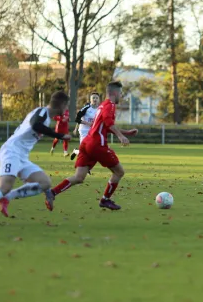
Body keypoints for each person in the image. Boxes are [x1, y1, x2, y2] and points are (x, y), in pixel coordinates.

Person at [0, 91, 70, 226]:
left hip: (22, 156)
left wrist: (48, 194)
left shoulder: (46, 116)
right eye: (66, 106)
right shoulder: (43, 112)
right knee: (4, 186)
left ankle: (6, 198)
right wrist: (59, 135)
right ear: (61, 105)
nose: (66, 110)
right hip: (11, 152)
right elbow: (35, 125)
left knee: (45, 183)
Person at [45, 81, 138, 211]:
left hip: (87, 143)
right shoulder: (109, 105)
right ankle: (105, 200)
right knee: (119, 172)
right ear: (115, 93)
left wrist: (126, 132)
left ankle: (52, 193)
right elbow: (109, 123)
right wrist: (121, 136)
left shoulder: (102, 106)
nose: (121, 96)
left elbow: (106, 125)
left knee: (79, 177)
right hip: (97, 144)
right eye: (120, 93)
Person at [70, 92, 101, 161]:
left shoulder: (100, 109)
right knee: (84, 151)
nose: (95, 99)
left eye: (96, 98)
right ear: (90, 99)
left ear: (99, 100)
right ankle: (86, 168)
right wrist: (87, 123)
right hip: (84, 131)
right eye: (93, 98)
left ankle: (76, 151)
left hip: (94, 131)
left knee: (92, 150)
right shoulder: (86, 108)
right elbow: (77, 119)